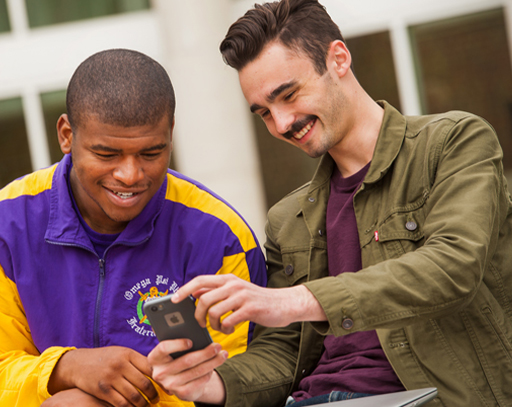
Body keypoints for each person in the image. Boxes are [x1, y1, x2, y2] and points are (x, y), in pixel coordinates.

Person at [147, 1, 512, 406]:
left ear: (338, 59)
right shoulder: (288, 220)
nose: (282, 123)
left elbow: (452, 266)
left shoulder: (454, 143)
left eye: (288, 95)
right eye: (264, 113)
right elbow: (284, 352)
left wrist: (294, 300)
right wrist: (211, 384)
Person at [0, 49, 266, 407]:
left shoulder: (221, 237)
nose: (130, 175)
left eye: (150, 153)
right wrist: (66, 368)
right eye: (107, 155)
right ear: (67, 135)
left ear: (170, 133)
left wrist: (136, 392)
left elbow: (243, 383)